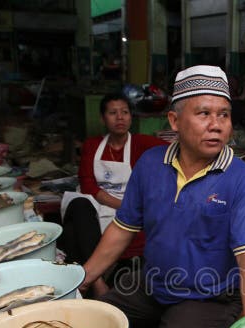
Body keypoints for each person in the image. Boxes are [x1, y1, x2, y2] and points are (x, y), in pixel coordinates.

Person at [80, 65, 245, 328]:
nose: (216, 124)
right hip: (152, 285)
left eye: (224, 115)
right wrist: (82, 279)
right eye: (204, 113)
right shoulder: (151, 164)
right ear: (175, 120)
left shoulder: (242, 179)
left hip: (207, 298)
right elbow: (122, 229)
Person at [59, 92, 167, 296]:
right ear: (103, 118)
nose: (120, 118)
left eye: (125, 112)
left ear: (131, 117)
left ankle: (89, 280)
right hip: (97, 203)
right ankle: (98, 281)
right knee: (80, 206)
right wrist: (121, 205)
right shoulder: (92, 145)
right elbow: (89, 185)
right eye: (113, 113)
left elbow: (178, 151)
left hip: (128, 206)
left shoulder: (142, 144)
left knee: (73, 233)